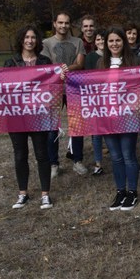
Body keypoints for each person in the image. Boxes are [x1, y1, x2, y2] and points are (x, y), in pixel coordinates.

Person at [5, 25, 54, 210]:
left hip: (38, 116)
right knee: (20, 155)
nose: (30, 40)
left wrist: (61, 74)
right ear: (21, 40)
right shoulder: (10, 62)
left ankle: (45, 194)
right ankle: (22, 193)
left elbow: (53, 85)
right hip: (16, 117)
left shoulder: (45, 61)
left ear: (37, 40)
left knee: (42, 154)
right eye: (26, 37)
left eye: (33, 37)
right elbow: (2, 88)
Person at [96, 27, 140, 211]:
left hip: (129, 115)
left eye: (118, 40)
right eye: (111, 41)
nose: (114, 44)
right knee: (115, 157)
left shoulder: (134, 61)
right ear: (106, 44)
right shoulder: (101, 63)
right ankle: (120, 191)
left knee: (128, 155)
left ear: (124, 42)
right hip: (108, 116)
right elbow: (93, 87)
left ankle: (132, 192)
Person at [41, 11, 86, 178]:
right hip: (53, 90)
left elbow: (80, 63)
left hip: (73, 89)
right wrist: (59, 70)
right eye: (60, 23)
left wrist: (66, 68)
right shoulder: (46, 43)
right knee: (52, 127)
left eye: (66, 23)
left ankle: (77, 160)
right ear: (54, 23)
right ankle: (53, 163)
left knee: (77, 125)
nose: (63, 26)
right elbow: (45, 67)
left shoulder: (78, 41)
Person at [85, 29, 108, 175]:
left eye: (103, 39)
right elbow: (86, 77)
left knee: (112, 130)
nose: (101, 42)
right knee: (97, 133)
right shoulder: (90, 57)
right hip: (96, 99)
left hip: (111, 99)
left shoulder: (113, 57)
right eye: (98, 39)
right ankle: (98, 163)